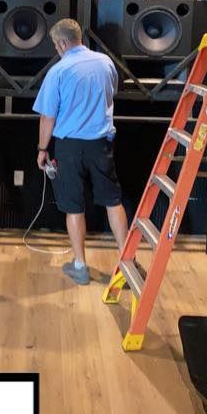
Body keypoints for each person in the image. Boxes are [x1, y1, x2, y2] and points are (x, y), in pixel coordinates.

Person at [33, 18, 131, 286]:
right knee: (113, 201)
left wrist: (43, 149)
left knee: (74, 207)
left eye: (56, 45)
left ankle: (80, 266)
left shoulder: (59, 71)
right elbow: (111, 94)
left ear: (63, 43)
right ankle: (127, 261)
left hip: (69, 147)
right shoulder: (106, 63)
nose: (57, 50)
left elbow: (47, 118)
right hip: (101, 144)